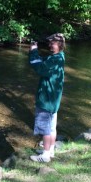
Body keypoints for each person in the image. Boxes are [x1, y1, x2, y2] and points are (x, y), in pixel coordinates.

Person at [29, 33, 65, 162]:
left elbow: (39, 68)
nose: (50, 44)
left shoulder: (54, 60)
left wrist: (33, 51)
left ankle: (45, 156)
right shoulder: (58, 57)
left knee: (45, 128)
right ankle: (50, 151)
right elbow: (42, 63)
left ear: (60, 45)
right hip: (53, 101)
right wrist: (36, 52)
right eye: (50, 42)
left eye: (53, 43)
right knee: (51, 127)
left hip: (46, 100)